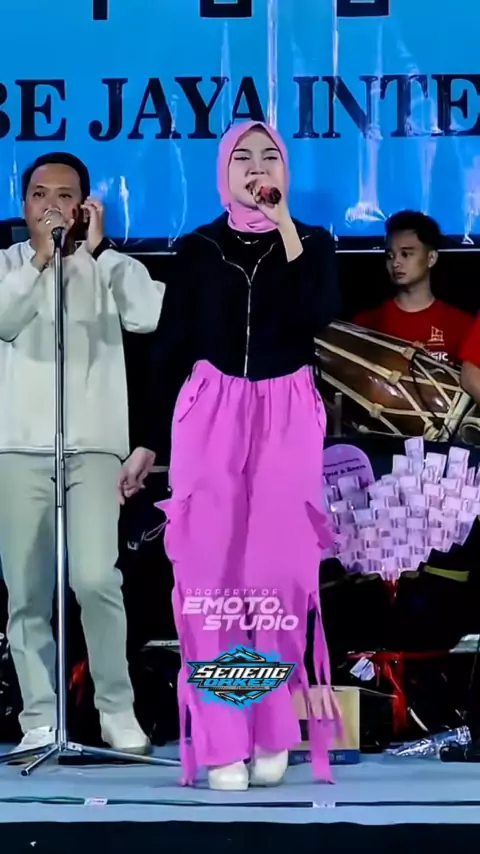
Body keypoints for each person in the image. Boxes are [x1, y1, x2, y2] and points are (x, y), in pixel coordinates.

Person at [118, 121, 341, 790]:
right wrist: (147, 441)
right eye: (242, 156)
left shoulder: (314, 244)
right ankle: (222, 740)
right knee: (210, 581)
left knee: (277, 579)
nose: (255, 166)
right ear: (223, 170)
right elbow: (169, 349)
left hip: (287, 410)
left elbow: (316, 315)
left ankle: (270, 727)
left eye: (269, 156)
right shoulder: (198, 249)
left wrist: (286, 224)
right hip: (211, 409)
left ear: (285, 170)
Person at [0, 152, 165, 755]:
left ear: (85, 206)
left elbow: (149, 316)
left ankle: (116, 709)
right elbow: (3, 319)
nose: (52, 205)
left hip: (94, 447)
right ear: (23, 205)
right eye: (40, 194)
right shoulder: (9, 265)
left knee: (96, 579)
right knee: (26, 591)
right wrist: (41, 261)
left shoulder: (110, 265)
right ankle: (39, 718)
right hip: (18, 448)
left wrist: (99, 252)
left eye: (65, 195)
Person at [353, 211, 473, 363]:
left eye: (405, 254)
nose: (395, 263)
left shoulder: (463, 326)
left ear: (431, 258)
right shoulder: (365, 324)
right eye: (390, 256)